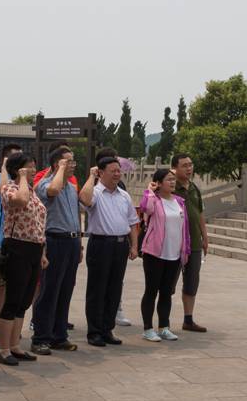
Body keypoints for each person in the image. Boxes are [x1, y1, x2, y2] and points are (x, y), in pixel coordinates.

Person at [78, 154, 139, 347]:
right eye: (113, 171)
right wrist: (91, 176)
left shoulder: (124, 195)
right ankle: (94, 332)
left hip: (120, 245)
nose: (117, 174)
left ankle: (107, 329)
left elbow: (133, 222)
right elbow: (84, 199)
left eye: (118, 171)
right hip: (100, 245)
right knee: (97, 289)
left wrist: (134, 245)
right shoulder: (95, 192)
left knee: (114, 288)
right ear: (101, 172)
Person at [0, 152, 46, 365]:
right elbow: (21, 201)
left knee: (24, 301)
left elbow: (39, 224)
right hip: (17, 247)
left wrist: (43, 253)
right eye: (29, 166)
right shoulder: (10, 188)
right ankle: (3, 349)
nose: (33, 170)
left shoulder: (32, 191)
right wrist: (22, 178)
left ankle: (15, 345)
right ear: (17, 170)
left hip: (34, 248)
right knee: (13, 299)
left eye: (34, 166)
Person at [31, 146, 80, 353]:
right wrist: (59, 169)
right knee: (49, 291)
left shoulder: (71, 187)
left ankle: (59, 335)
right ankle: (41, 337)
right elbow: (53, 191)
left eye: (73, 161)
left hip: (71, 241)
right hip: (54, 241)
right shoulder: (46, 184)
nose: (72, 165)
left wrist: (79, 241)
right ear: (56, 164)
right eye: (68, 162)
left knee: (65, 290)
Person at [136, 168, 189, 342]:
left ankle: (164, 327)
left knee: (166, 292)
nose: (173, 182)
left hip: (174, 254)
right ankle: (148, 329)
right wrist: (149, 191)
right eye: (168, 179)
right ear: (158, 183)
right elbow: (145, 208)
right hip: (155, 253)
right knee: (151, 290)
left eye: (173, 179)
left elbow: (185, 227)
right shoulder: (154, 200)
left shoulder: (179, 201)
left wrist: (185, 249)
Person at [0, 142, 23, 348]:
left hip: (19, 240)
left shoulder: (23, 182)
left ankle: (8, 323)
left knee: (13, 285)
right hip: (0, 240)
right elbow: (0, 190)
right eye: (15, 158)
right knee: (0, 284)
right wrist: (5, 167)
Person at [172, 153, 210, 333]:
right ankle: (162, 322)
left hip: (194, 242)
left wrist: (205, 236)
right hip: (173, 243)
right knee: (167, 283)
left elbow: (200, 213)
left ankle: (188, 319)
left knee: (192, 281)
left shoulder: (194, 188)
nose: (189, 168)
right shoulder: (169, 187)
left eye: (190, 164)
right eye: (184, 165)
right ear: (175, 168)